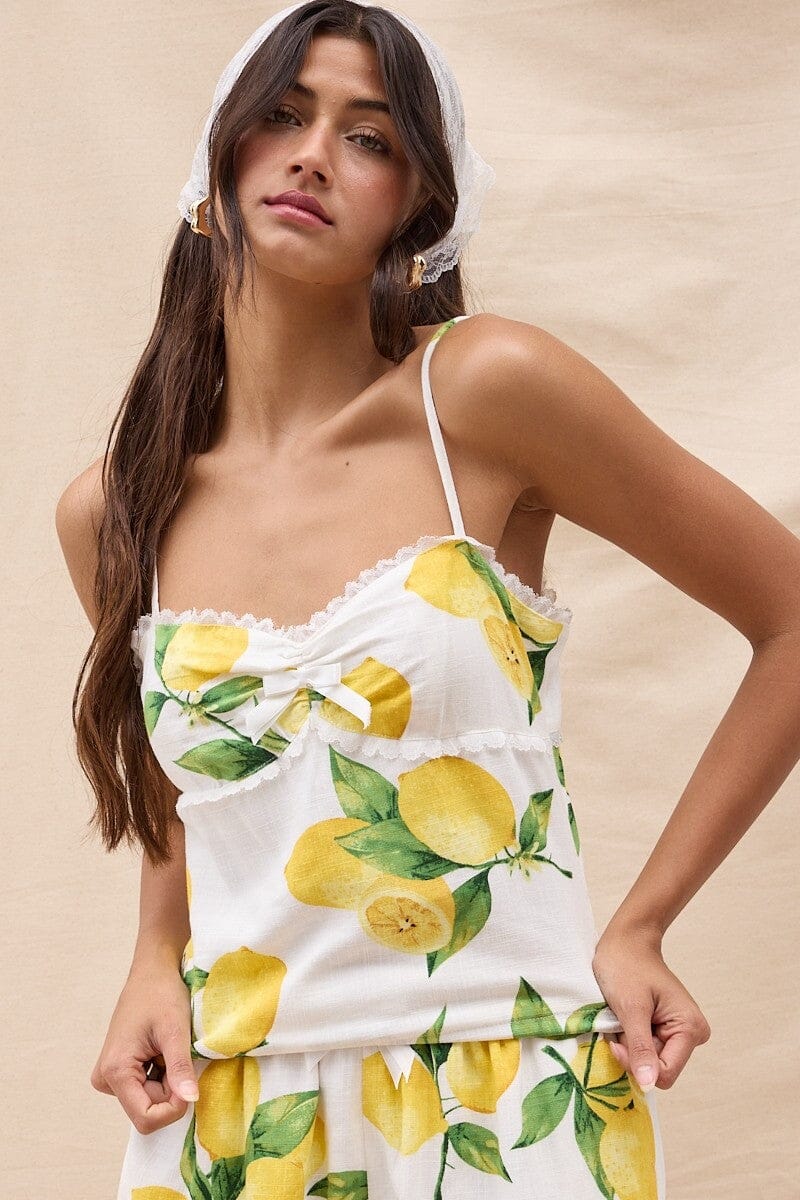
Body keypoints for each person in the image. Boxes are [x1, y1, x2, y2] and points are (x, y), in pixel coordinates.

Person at [55, 3, 800, 1198]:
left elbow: (788, 618)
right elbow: (196, 790)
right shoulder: (116, 509)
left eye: (369, 138)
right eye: (282, 115)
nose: (312, 155)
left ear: (418, 209)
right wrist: (153, 952)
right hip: (234, 1109)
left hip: (503, 1088)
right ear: (215, 161)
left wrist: (641, 924)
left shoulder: (485, 393)